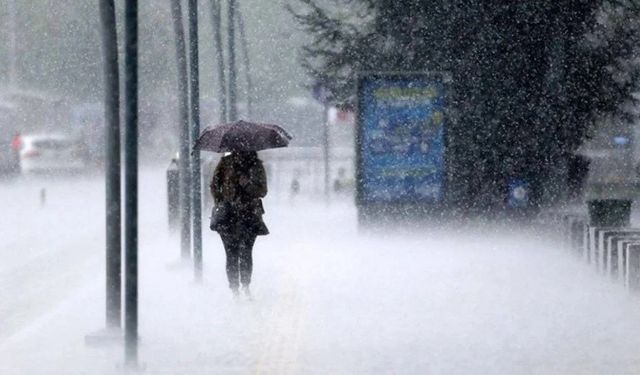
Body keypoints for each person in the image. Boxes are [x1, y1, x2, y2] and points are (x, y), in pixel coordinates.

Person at [210, 151, 268, 299]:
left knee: (246, 252)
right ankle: (235, 288)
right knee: (231, 253)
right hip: (228, 217)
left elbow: (262, 191)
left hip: (249, 215)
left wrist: (247, 184)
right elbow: (214, 186)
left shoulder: (256, 166)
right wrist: (222, 201)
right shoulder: (225, 164)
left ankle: (245, 286)